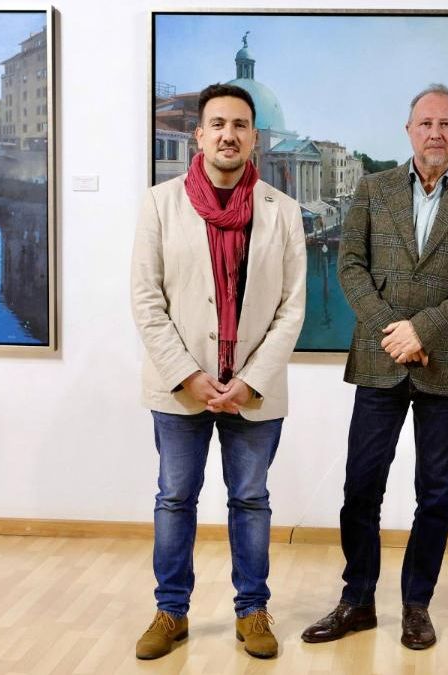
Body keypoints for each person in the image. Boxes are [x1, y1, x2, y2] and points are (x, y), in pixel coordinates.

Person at [301, 83, 448, 650]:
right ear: (408, 131)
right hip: (379, 359)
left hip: (447, 363)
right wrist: (395, 332)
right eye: (425, 123)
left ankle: (417, 605)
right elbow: (352, 267)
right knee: (360, 487)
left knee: (435, 493)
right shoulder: (373, 189)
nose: (435, 132)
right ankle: (357, 600)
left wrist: (424, 330)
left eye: (446, 124)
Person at [130, 83, 306, 660]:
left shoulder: (283, 210)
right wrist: (186, 374)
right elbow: (145, 300)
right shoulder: (160, 203)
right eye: (217, 124)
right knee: (175, 498)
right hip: (180, 388)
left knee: (251, 500)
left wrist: (251, 380)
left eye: (240, 125)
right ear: (199, 135)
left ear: (254, 138)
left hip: (253, 391)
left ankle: (252, 611)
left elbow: (292, 306)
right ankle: (170, 611)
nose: (228, 134)